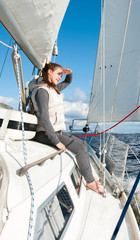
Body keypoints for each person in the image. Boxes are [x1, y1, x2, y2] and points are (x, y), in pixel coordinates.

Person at [30, 62, 103, 195]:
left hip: (55, 131)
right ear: (49, 72)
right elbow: (45, 119)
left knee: (83, 144)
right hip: (45, 133)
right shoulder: (42, 91)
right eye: (58, 74)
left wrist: (68, 74)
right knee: (80, 149)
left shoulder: (52, 88)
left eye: (61, 75)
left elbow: (67, 82)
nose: (60, 77)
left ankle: (88, 176)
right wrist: (56, 141)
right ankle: (90, 182)